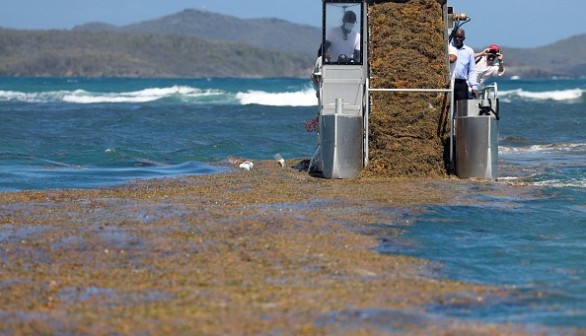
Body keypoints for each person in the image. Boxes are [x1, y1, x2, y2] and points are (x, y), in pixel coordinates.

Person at [451, 29, 479, 100]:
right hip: (450, 82)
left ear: (464, 38)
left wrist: (474, 87)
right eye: (456, 37)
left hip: (461, 83)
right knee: (447, 106)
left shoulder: (469, 51)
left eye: (460, 37)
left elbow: (472, 70)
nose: (457, 39)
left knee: (462, 108)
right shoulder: (449, 48)